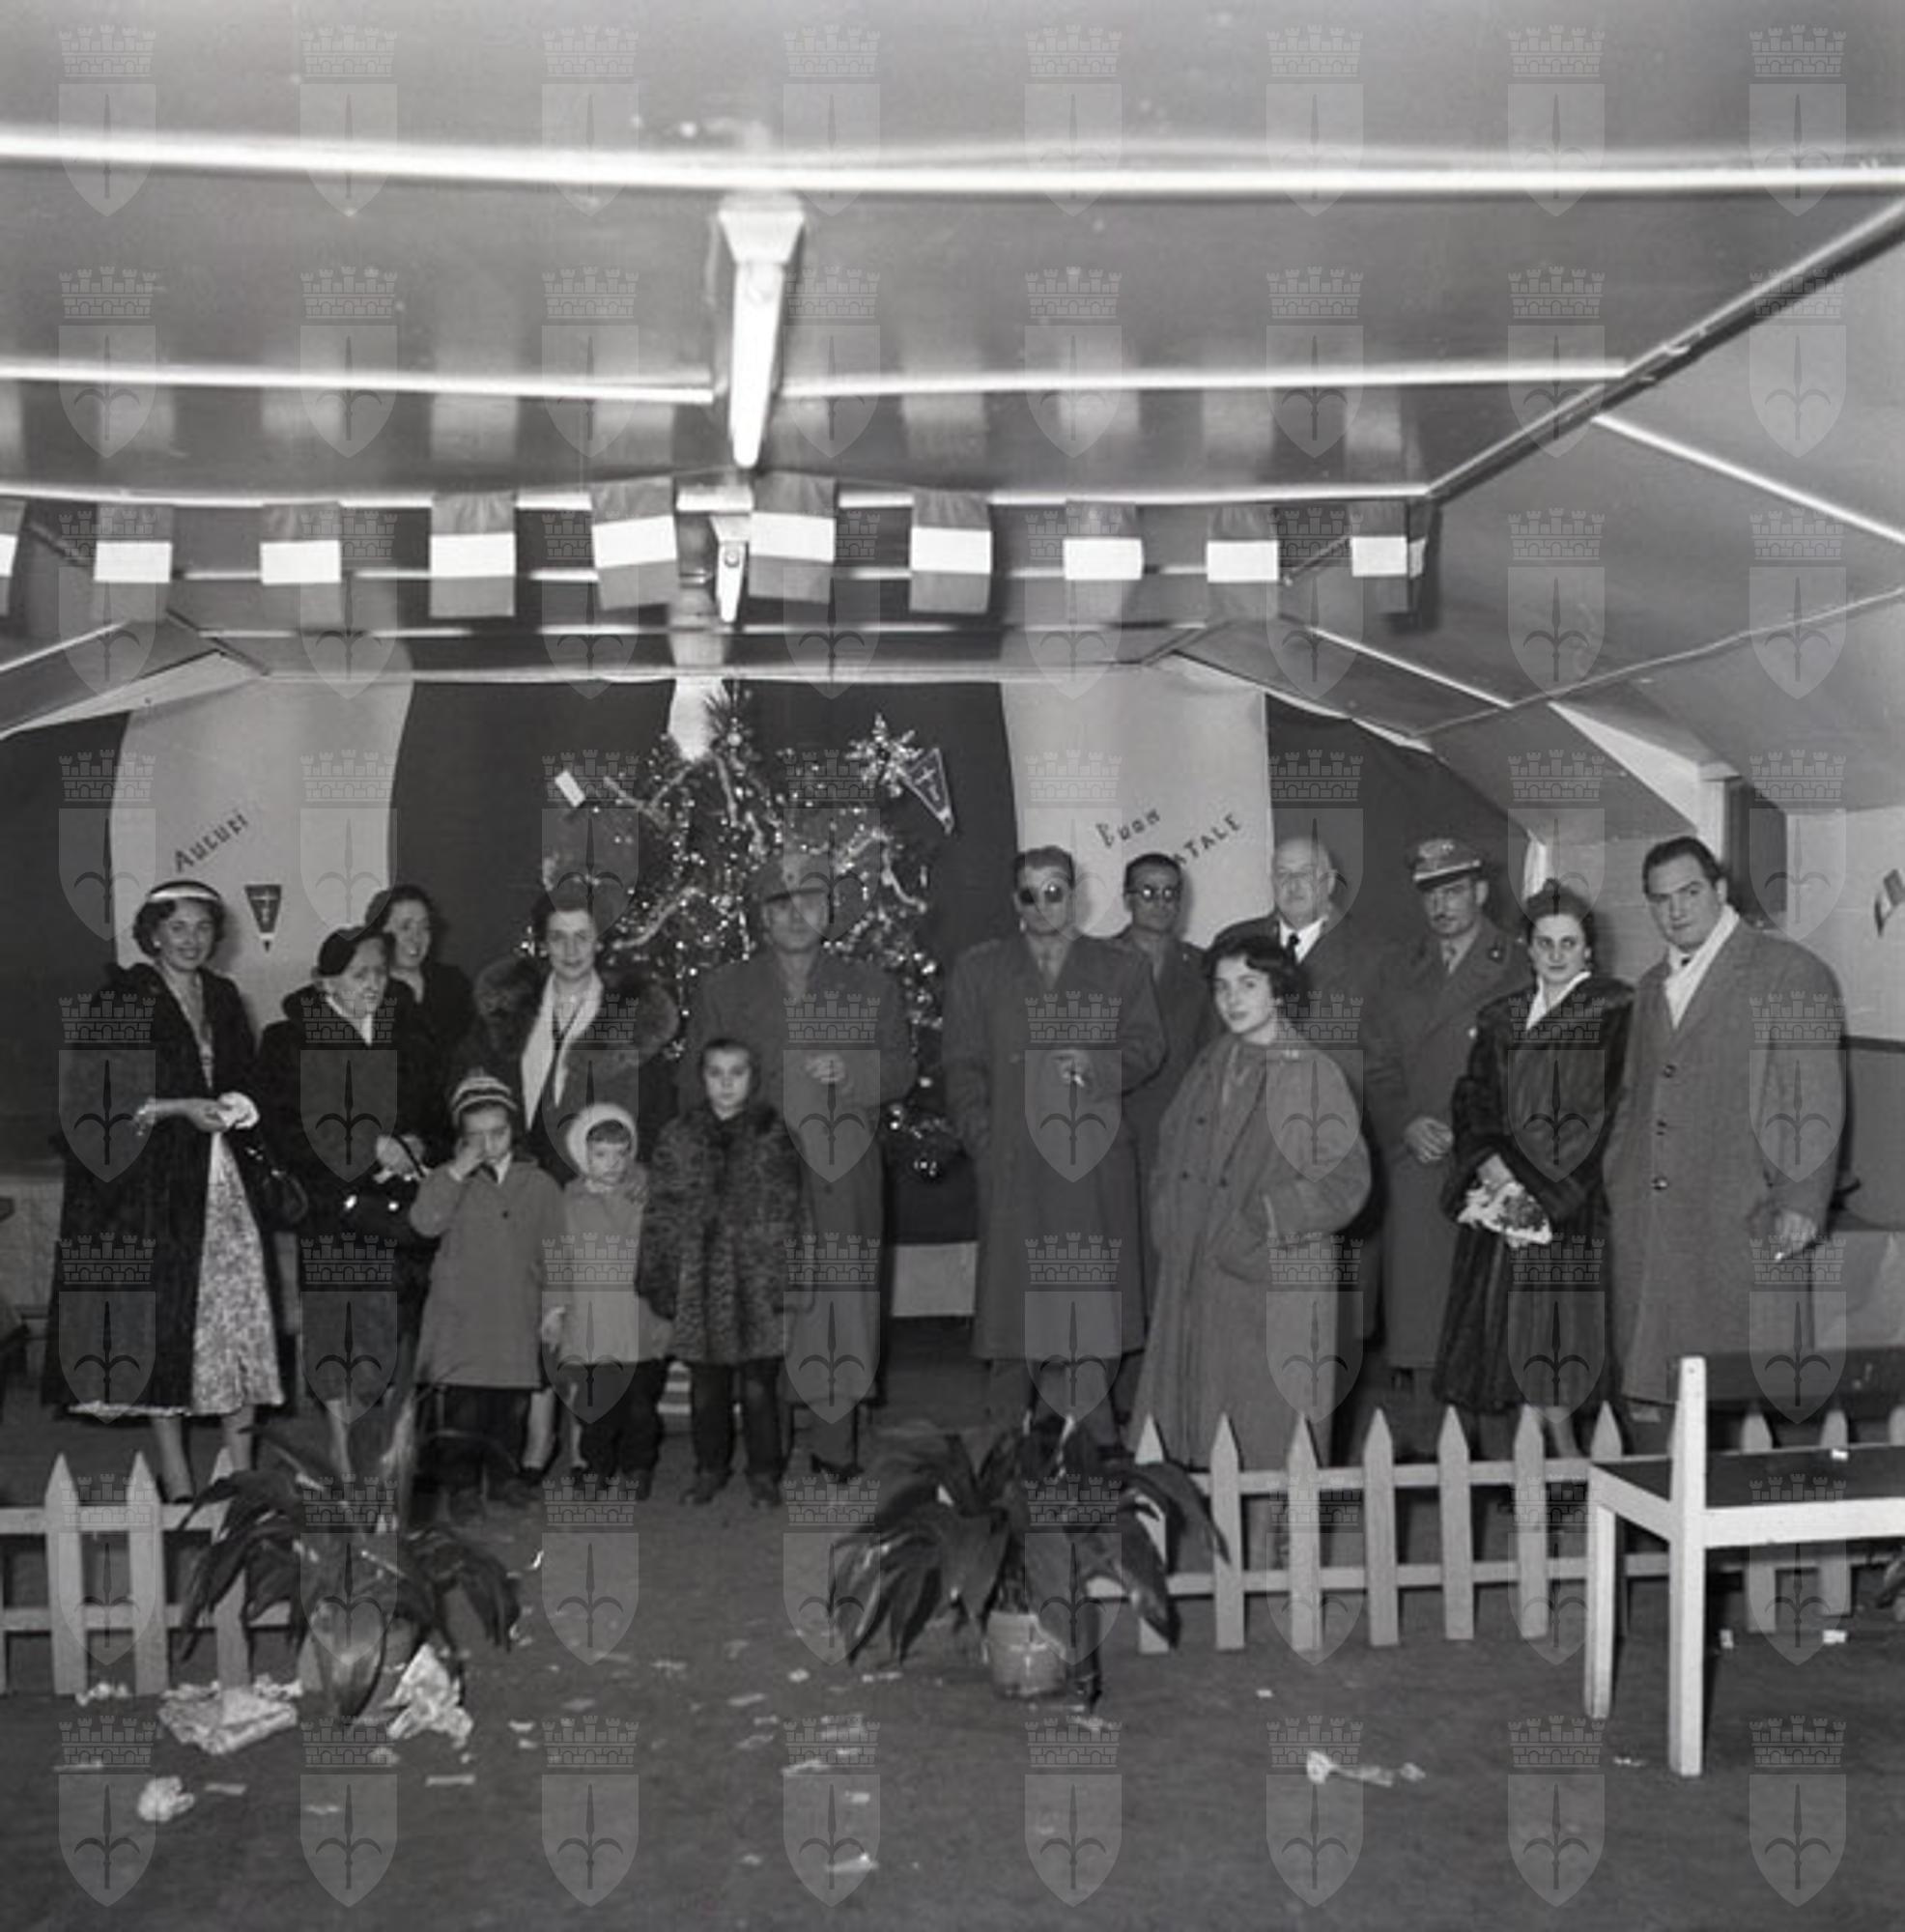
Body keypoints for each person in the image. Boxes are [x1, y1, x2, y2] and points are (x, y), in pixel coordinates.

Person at [43, 880, 283, 1502]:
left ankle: (241, 1474)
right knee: (166, 1324)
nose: (191, 940)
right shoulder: (123, 997)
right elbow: (94, 1101)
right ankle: (177, 1479)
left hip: (222, 1184)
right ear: (152, 934)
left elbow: (246, 1074)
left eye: (202, 927)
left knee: (235, 1320)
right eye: (177, 927)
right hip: (151, 1188)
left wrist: (241, 1103)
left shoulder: (223, 996)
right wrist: (181, 1108)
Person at [1603, 837, 1844, 1444]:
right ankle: (1665, 1501)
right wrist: (1617, 1176)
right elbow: (1633, 1093)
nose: (1676, 910)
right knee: (1652, 1381)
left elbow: (1813, 1096)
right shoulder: (1650, 985)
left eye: (1689, 893)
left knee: (1753, 1390)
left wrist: (1801, 1200)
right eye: (1661, 899)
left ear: (1719, 890)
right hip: (1651, 1217)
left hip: (1740, 1207)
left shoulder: (1790, 971)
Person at [683, 848, 914, 1482]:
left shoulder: (871, 987)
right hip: (755, 1173)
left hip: (842, 1173)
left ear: (830, 911)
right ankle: (768, 1449)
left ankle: (834, 1446)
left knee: (839, 1301)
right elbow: (691, 1084)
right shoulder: (723, 989)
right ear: (761, 916)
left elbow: (902, 1069)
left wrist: (855, 1072)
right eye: (779, 903)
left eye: (810, 900)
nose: (795, 914)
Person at [1134, 925, 1371, 1485]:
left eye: (1247, 984)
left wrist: (1260, 1219)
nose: (1232, 1000)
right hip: (1199, 1276)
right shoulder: (1212, 1062)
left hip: (1269, 1278)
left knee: (1270, 1445)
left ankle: (1271, 1545)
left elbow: (1345, 1181)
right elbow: (1170, 1150)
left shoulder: (1309, 1072)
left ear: (1279, 991)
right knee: (1199, 1439)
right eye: (1221, 987)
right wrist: (1170, 1221)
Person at [943, 848, 1166, 1439]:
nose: (1043, 905)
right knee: (1013, 1316)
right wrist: (985, 1139)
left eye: (1055, 891)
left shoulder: (1121, 968)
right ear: (1013, 900)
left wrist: (1098, 1065)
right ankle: (1005, 1449)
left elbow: (1147, 1047)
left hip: (1088, 1165)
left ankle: (1089, 1446)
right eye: (1030, 894)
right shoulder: (980, 970)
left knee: (1086, 1309)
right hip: (1014, 1164)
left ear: (1075, 895)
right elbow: (962, 1065)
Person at [462, 881, 677, 1479]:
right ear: (541, 943)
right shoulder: (512, 1013)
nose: (571, 950)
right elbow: (479, 1087)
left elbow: (658, 1109)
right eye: (558, 938)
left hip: (601, 1188)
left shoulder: (628, 1018)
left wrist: (643, 1174)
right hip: (528, 1180)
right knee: (535, 1308)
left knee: (594, 1313)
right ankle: (537, 1438)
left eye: (583, 937)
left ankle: (588, 1443)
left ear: (600, 942)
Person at [1431, 884, 1632, 1457]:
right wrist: (1494, 1171)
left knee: (1556, 1340)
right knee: (1505, 1338)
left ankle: (1568, 1462)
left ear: (1589, 948)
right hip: (1503, 1195)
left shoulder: (1614, 1010)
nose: (1557, 955)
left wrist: (1542, 1193)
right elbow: (1474, 1098)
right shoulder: (1501, 1017)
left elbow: (1610, 1105)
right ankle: (1525, 1467)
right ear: (1528, 947)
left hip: (1570, 1199)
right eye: (1545, 943)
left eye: (1569, 943)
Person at [1362, 838, 1529, 1453]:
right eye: (1431, 894)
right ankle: (1442, 1475)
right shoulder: (1396, 969)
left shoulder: (1519, 964)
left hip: (1494, 1169)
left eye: (1454, 891)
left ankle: (1512, 1481)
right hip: (1419, 1170)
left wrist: (1486, 1133)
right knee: (1427, 1337)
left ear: (1481, 892)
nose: (1442, 906)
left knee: (1498, 1328)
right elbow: (1376, 1065)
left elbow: (1537, 1069)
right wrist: (1405, 1121)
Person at [255, 924, 439, 1458]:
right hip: (332, 1210)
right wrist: (369, 1146)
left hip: (400, 1212)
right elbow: (283, 1132)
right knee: (338, 1339)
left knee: (396, 1333)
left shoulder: (408, 1033)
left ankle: (390, 1457)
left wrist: (418, 1143)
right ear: (324, 981)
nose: (373, 984)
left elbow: (437, 1113)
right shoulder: (288, 1040)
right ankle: (342, 1453)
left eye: (380, 972)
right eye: (359, 974)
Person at [639, 1039, 805, 1508]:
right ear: (701, 1078)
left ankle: (764, 1471)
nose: (726, 1083)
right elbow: (661, 1211)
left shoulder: (773, 1133)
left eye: (737, 1073)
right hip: (699, 1282)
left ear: (753, 1078)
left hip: (756, 1281)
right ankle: (709, 1467)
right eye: (716, 1073)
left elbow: (789, 1209)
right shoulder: (678, 1135)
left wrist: (784, 1275)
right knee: (706, 1388)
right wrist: (660, 1274)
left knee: (758, 1387)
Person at [410, 1071, 565, 1521]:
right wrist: (456, 1172)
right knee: (464, 1411)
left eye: (497, 1133)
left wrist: (555, 1309)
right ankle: (462, 1486)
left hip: (515, 1315)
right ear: (460, 1138)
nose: (488, 1144)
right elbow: (425, 1223)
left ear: (513, 1131)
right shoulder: (445, 1180)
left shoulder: (540, 1185)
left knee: (509, 1409)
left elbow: (556, 1251)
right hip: (462, 1318)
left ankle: (504, 1478)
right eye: (475, 1136)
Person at [541, 1102, 669, 1496]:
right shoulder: (567, 1203)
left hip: (638, 1320)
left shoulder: (646, 1196)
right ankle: (596, 1466)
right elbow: (557, 1261)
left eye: (621, 1153)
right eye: (600, 1154)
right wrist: (554, 1310)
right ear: (583, 1155)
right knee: (596, 1405)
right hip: (591, 1322)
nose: (612, 1164)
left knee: (640, 1406)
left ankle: (637, 1468)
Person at [363, 884, 475, 1153]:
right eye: (405, 927)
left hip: (454, 1132)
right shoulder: (365, 994)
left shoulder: (452, 984)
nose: (416, 938)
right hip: (390, 1141)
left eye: (424, 927)